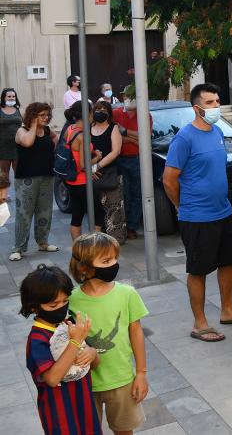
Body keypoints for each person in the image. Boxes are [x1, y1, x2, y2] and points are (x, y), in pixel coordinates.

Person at [163, 83, 232, 343]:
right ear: (197, 108)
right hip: (197, 217)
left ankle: (228, 311)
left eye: (218, 101)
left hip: (224, 212)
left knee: (229, 262)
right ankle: (200, 323)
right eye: (210, 103)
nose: (216, 106)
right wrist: (181, 206)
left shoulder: (216, 131)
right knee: (198, 269)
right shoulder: (184, 138)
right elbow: (169, 180)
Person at [68, 233, 148, 435]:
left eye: (114, 258)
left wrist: (140, 374)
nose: (113, 264)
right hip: (84, 382)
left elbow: (136, 333)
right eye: (106, 260)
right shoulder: (71, 300)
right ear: (85, 267)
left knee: (123, 430)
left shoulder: (127, 294)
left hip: (121, 379)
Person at [20, 264, 102, 435]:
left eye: (65, 301)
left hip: (85, 406)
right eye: (53, 305)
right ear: (34, 306)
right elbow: (52, 378)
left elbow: (93, 365)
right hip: (60, 416)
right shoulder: (37, 339)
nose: (61, 307)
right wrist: (75, 342)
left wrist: (93, 353)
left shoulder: (69, 323)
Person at [12, 103, 58, 261]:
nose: (46, 118)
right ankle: (18, 248)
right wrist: (32, 125)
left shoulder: (46, 130)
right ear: (33, 116)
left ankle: (43, 242)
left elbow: (55, 138)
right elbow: (27, 143)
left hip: (47, 176)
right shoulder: (21, 131)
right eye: (42, 115)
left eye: (47, 115)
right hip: (26, 178)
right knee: (24, 213)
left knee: (44, 211)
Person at [112, 85, 152, 240]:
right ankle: (120, 226)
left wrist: (125, 133)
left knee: (137, 193)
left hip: (137, 159)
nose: (129, 98)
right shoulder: (115, 114)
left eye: (132, 95)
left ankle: (132, 227)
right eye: (127, 95)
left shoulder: (145, 115)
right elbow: (114, 136)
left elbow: (146, 138)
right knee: (124, 194)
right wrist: (134, 138)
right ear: (123, 97)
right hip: (119, 159)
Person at [64, 100, 105, 240]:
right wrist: (97, 157)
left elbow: (72, 154)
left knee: (77, 214)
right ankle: (94, 247)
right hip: (81, 181)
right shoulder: (83, 136)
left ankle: (78, 248)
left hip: (71, 180)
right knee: (98, 214)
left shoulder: (70, 129)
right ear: (87, 114)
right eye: (92, 111)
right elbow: (83, 165)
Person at [90, 100, 126, 242]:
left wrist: (96, 166)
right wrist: (89, 168)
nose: (100, 112)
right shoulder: (89, 127)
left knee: (114, 206)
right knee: (96, 207)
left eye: (104, 109)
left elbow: (115, 151)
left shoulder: (113, 128)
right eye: (98, 109)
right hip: (92, 175)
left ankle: (115, 239)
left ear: (109, 113)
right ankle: (98, 238)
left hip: (110, 172)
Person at [0, 87, 21, 201]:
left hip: (17, 145)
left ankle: (20, 192)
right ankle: (4, 194)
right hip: (3, 146)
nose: (11, 98)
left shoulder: (17, 109)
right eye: (9, 96)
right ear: (4, 98)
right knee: (4, 172)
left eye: (13, 96)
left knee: (18, 170)